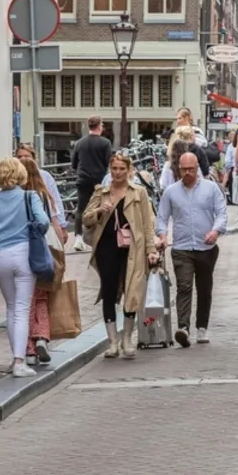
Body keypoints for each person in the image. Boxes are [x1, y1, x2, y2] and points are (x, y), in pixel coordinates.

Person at [83, 153, 158, 360]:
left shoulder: (139, 193)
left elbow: (146, 224)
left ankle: (126, 338)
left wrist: (151, 249)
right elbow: (86, 219)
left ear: (129, 170)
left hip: (132, 248)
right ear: (110, 169)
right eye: (114, 169)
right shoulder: (102, 192)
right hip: (107, 248)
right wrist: (99, 210)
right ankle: (112, 342)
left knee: (131, 291)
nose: (117, 173)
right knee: (108, 291)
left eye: (121, 169)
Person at [0, 157, 51, 378]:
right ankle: (20, 362)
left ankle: (15, 357)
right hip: (23, 253)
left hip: (0, 256)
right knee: (22, 308)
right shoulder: (29, 197)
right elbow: (44, 222)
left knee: (11, 308)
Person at [156, 152, 227, 347]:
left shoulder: (211, 189)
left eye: (191, 169)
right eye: (184, 169)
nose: (187, 173)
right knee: (184, 287)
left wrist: (215, 231)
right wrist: (162, 236)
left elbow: (221, 213)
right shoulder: (171, 192)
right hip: (181, 247)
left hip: (206, 247)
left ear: (197, 168)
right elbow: (161, 217)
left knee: (204, 288)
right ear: (179, 168)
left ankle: (202, 328)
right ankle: (183, 328)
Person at [21, 156, 59, 366]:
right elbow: (54, 222)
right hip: (44, 254)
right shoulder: (45, 196)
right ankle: (43, 337)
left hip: (24, 252)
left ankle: (29, 348)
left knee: (27, 301)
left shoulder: (20, 197)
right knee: (42, 297)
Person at [71, 116, 113, 252]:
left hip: (83, 180)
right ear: (100, 126)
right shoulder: (105, 143)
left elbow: (74, 164)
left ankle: (78, 238)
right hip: (100, 181)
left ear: (88, 126)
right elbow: (110, 163)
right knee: (102, 208)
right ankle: (99, 238)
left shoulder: (80, 143)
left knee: (81, 209)